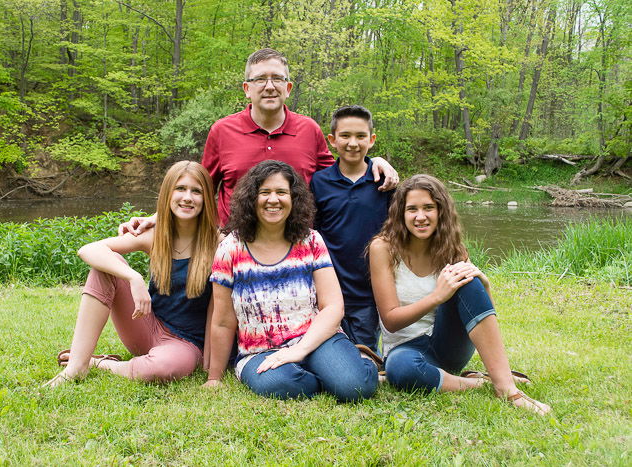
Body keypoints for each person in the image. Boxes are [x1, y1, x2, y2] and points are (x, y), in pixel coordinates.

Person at [119, 48, 398, 234]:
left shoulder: (309, 129)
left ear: (288, 88)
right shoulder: (222, 131)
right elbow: (200, 187)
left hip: (296, 245)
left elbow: (340, 174)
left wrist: (376, 162)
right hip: (233, 245)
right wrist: (158, 217)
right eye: (260, 79)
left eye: (277, 78)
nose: (269, 86)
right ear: (247, 89)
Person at [368, 174, 551, 414]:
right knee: (400, 370)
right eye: (412, 209)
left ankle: (507, 389)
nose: (420, 217)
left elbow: (478, 315)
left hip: (448, 346)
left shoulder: (452, 249)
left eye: (428, 208)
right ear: (401, 214)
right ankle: (478, 382)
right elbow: (390, 321)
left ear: (441, 211)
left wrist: (484, 287)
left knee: (468, 280)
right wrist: (436, 296)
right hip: (406, 351)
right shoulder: (383, 248)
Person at [203, 160, 378, 402]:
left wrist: (300, 349)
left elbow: (333, 306)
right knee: (283, 385)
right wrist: (214, 377)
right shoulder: (230, 249)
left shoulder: (311, 241)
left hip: (316, 339)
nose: (273, 199)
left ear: (293, 198)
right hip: (260, 351)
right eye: (264, 192)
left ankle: (359, 363)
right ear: (251, 199)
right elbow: (223, 321)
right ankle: (327, 374)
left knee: (354, 387)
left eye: (281, 192)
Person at [44, 161, 219, 388]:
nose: (188, 197)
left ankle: (101, 364)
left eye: (196, 191)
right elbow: (88, 249)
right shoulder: (155, 235)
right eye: (180, 189)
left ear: (207, 199)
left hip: (185, 345)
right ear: (167, 194)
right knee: (106, 266)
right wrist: (132, 277)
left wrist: (211, 364)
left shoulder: (218, 244)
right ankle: (76, 367)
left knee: (159, 369)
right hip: (147, 326)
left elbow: (219, 311)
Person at [310, 105, 393, 355]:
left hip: (368, 293)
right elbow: (312, 234)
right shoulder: (319, 182)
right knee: (329, 350)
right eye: (345, 136)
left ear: (372, 140)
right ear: (332, 140)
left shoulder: (385, 183)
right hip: (328, 289)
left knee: (365, 354)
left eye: (360, 136)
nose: (353, 143)